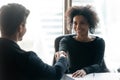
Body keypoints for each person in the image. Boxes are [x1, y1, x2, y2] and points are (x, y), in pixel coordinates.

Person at [0, 3, 68, 80]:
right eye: (25, 25)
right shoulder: (26, 59)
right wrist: (62, 58)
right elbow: (55, 74)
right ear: (20, 27)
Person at [58, 5, 109, 78]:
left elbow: (98, 65)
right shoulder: (66, 40)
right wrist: (61, 53)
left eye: (82, 23)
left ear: (89, 24)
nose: (78, 27)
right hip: (72, 76)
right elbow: (62, 50)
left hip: (93, 76)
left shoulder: (99, 42)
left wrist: (85, 70)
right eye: (75, 23)